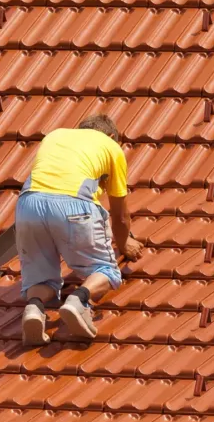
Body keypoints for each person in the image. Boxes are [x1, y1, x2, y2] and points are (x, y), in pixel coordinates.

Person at [17, 114, 143, 345]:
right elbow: (120, 213)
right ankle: (78, 301)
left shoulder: (55, 135)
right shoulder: (112, 147)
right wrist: (124, 244)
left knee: (42, 278)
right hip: (73, 205)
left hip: (28, 205)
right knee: (105, 270)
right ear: (111, 136)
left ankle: (34, 309)